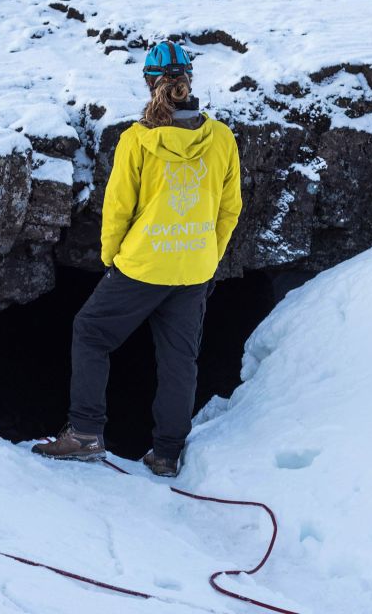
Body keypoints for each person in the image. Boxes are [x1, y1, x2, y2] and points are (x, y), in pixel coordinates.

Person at [32, 40, 243, 477]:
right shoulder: (221, 138)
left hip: (143, 265)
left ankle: (86, 434)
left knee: (91, 332)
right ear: (189, 80)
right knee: (179, 361)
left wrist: (112, 257)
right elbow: (229, 208)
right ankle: (166, 455)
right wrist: (208, 253)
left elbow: (118, 209)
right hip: (193, 269)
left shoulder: (138, 140)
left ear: (150, 84)